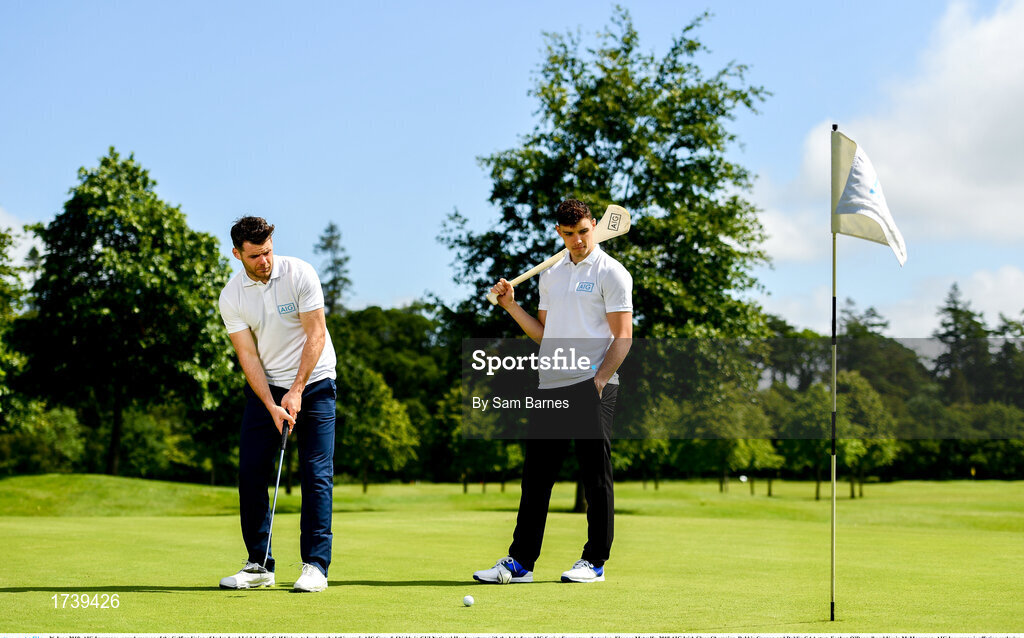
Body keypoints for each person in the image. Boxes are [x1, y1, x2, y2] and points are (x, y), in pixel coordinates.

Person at [473, 199, 633, 584]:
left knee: (596, 477)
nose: (577, 241)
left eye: (583, 231)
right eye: (568, 234)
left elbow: (623, 336)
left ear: (594, 225)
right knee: (537, 478)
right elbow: (545, 336)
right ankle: (520, 563)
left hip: (593, 384)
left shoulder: (612, 273)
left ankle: (594, 562)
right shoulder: (551, 275)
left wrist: (598, 380)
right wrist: (511, 306)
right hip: (550, 385)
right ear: (558, 233)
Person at [217, 216, 338, 593]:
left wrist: (298, 388)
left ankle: (315, 566)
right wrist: (270, 403)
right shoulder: (231, 296)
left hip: (315, 382)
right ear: (237, 253)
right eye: (254, 256)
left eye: (267, 251)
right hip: (266, 389)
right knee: (251, 472)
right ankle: (259, 565)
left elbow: (315, 334)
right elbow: (248, 356)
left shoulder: (300, 274)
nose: (264, 261)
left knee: (315, 474)